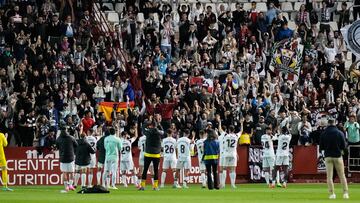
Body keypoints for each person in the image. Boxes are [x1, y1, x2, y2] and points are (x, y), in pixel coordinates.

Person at [320, 117, 349, 199]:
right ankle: (345, 193)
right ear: (335, 123)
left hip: (328, 156)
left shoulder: (323, 133)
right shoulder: (339, 133)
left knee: (329, 177)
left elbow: (321, 147)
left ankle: (332, 194)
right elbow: (343, 146)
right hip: (338, 156)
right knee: (342, 175)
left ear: (328, 123)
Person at [139, 119, 164, 191]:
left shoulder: (148, 132)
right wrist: (159, 124)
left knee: (145, 170)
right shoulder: (159, 132)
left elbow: (143, 128)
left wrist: (147, 123)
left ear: (151, 125)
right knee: (156, 171)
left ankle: (143, 186)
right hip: (156, 154)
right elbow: (163, 132)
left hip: (148, 154)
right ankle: (155, 186)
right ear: (156, 126)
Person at [56, 128, 78, 193]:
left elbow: (57, 147)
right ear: (67, 131)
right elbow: (76, 145)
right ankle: (71, 185)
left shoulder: (59, 139)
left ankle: (66, 187)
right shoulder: (71, 138)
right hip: (71, 157)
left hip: (62, 158)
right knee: (72, 172)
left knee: (64, 173)